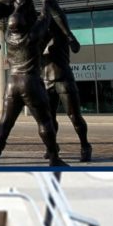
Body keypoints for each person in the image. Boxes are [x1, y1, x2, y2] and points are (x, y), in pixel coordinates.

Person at [0, 8, 66, 167]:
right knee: (45, 121)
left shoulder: (9, 38)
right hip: (30, 82)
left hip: (12, 83)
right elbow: (45, 17)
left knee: (4, 122)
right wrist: (46, 3)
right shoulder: (32, 36)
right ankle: (54, 158)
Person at [42, 19, 93, 162]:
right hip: (45, 80)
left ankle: (85, 146)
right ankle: (52, 147)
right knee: (49, 119)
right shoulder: (39, 37)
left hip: (63, 78)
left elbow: (76, 47)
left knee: (74, 116)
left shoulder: (62, 35)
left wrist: (70, 36)